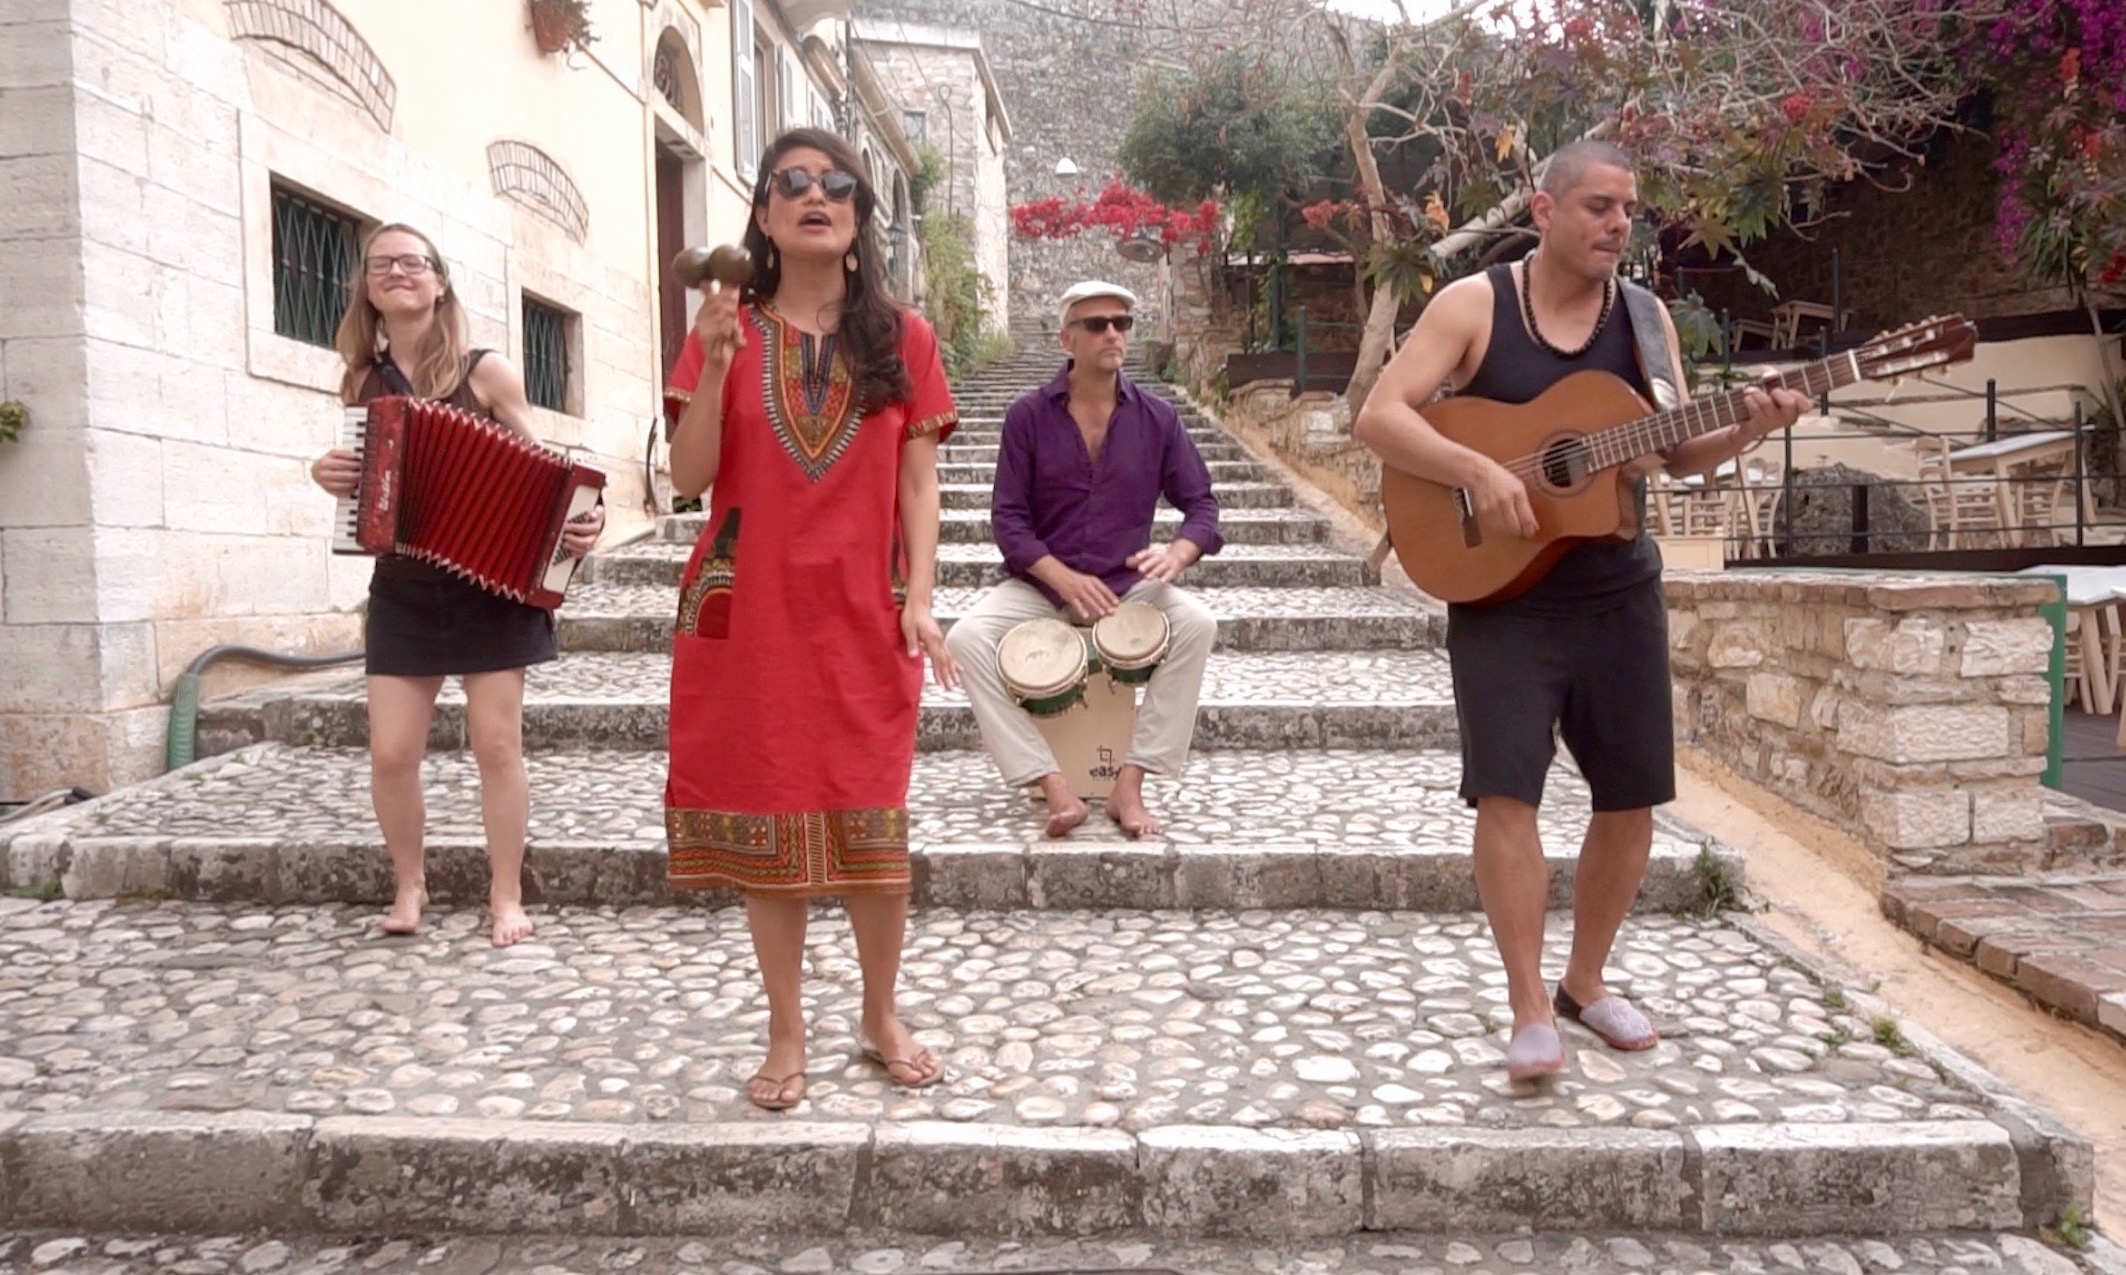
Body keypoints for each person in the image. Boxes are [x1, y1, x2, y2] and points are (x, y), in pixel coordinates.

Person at [1351, 141, 1806, 1081]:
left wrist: (1752, 424)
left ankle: (1584, 981)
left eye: (1628, 210)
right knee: (1508, 790)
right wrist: (1476, 466)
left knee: (1632, 792)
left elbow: (1676, 454)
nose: (1617, 225)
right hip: (1502, 594)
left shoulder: (1643, 321)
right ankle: (1528, 1005)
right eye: (1598, 206)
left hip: (1614, 584)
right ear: (1543, 207)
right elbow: (1381, 415)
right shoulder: (1474, 304)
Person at [662, 128, 961, 1112]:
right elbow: (689, 476)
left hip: (861, 609)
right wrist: (709, 367)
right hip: (749, 612)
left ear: (859, 215)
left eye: (837, 184)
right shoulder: (724, 331)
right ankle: (786, 1028)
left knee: (875, 826)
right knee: (769, 819)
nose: (814, 196)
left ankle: (880, 1012)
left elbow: (918, 484)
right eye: (790, 184)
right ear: (760, 213)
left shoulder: (904, 339)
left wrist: (917, 595)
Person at [309, 222, 603, 949]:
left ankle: (505, 893)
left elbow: (548, 472)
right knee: (390, 752)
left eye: (412, 262)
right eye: (382, 265)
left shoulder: (487, 372)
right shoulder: (361, 382)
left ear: (440, 282)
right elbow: (363, 489)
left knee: (497, 745)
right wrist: (330, 476)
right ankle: (410, 881)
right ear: (368, 291)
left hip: (489, 587)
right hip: (405, 588)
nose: (397, 272)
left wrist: (584, 519)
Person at [942, 280, 1221, 839]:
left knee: (1196, 623)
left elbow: (1202, 506)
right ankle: (1053, 786)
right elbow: (1009, 521)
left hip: (1125, 586)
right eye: (1097, 325)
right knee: (965, 640)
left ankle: (1130, 785)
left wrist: (1180, 551)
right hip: (1042, 587)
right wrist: (1060, 578)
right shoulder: (1027, 417)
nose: (1113, 333)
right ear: (1068, 338)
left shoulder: (1158, 420)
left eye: (1122, 323)